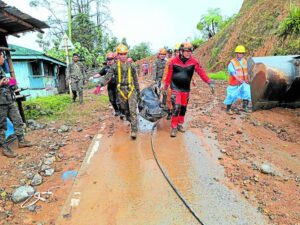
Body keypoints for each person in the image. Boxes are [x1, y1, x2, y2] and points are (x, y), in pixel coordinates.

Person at [163, 42, 214, 137]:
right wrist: (166, 86)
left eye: (190, 51)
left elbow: (201, 72)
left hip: (185, 89)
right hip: (175, 88)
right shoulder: (173, 61)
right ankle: (174, 127)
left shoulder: (194, 61)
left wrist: (208, 81)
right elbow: (169, 75)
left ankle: (180, 124)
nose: (188, 53)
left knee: (183, 108)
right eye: (186, 51)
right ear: (181, 51)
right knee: (176, 107)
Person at [98, 44, 141, 139]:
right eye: (121, 54)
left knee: (132, 110)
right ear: (117, 55)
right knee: (125, 111)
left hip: (131, 90)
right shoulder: (114, 67)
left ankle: (134, 130)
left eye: (125, 54)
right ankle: (131, 120)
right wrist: (100, 84)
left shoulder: (131, 66)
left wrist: (138, 92)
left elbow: (135, 79)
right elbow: (107, 77)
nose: (123, 56)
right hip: (121, 92)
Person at [0, 50, 32, 158]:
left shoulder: (2, 70)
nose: (3, 59)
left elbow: (12, 83)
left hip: (9, 100)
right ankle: (4, 148)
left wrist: (12, 82)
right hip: (1, 103)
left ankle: (21, 141)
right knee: (2, 126)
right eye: (2, 56)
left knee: (18, 120)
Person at [224, 45, 251, 114]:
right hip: (234, 83)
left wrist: (247, 79)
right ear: (236, 53)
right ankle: (228, 109)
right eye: (239, 53)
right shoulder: (232, 62)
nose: (241, 54)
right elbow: (233, 73)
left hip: (244, 82)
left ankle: (245, 106)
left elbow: (247, 71)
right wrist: (238, 79)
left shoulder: (245, 61)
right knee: (231, 95)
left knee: (247, 92)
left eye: (242, 53)